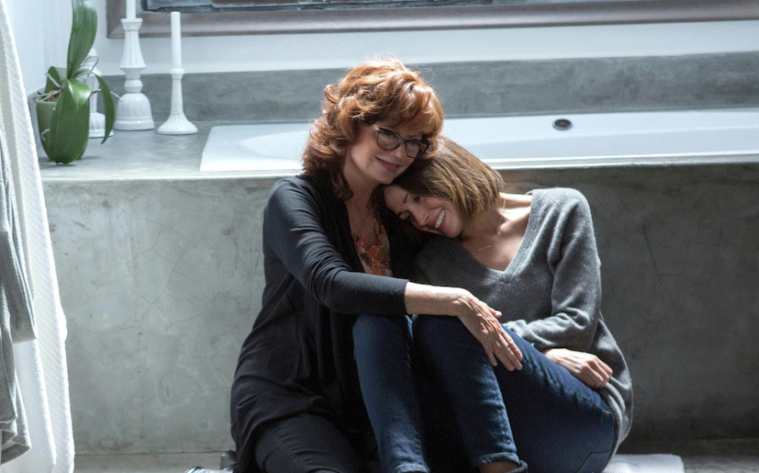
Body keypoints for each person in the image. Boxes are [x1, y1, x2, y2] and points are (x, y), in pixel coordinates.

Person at [230, 59, 523, 473]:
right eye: (388, 133)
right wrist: (455, 300)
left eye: (413, 142)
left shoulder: (401, 217)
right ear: (351, 123)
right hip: (289, 394)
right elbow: (332, 283)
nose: (400, 153)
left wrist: (548, 348)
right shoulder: (295, 199)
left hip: (371, 406)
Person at [383, 137, 634, 473]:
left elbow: (577, 325)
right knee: (437, 325)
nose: (420, 219)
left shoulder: (561, 211)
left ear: (445, 172)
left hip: (585, 417)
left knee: (454, 320)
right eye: (406, 215)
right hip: (504, 433)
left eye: (417, 198)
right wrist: (545, 354)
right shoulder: (432, 264)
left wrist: (502, 343)